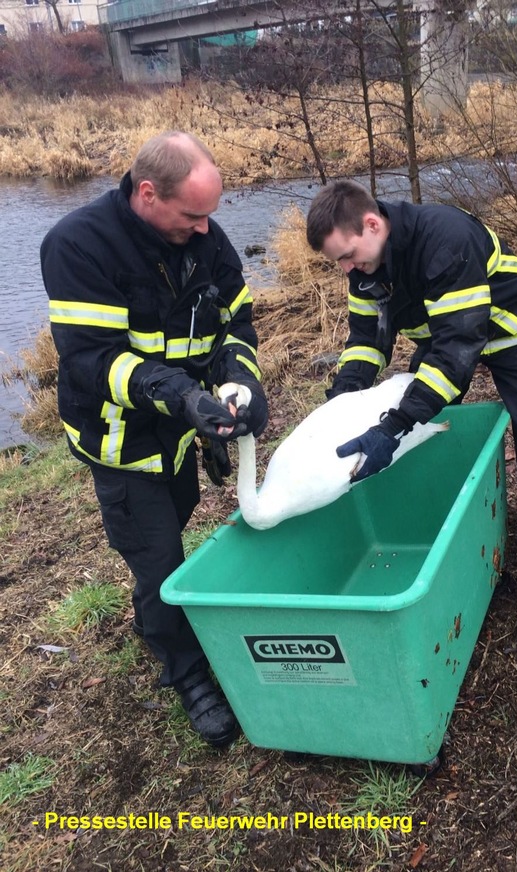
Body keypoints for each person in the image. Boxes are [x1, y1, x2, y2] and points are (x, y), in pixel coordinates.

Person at [40, 131, 268, 747]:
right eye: (193, 215)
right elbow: (94, 360)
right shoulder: (78, 246)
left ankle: (157, 621)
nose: (205, 229)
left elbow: (237, 320)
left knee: (181, 514)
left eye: (210, 215)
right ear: (148, 193)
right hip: (123, 439)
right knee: (160, 557)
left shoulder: (202, 237)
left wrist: (240, 382)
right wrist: (183, 397)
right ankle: (187, 671)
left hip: (179, 427)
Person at [306, 180, 517, 645]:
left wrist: (394, 424)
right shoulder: (364, 267)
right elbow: (367, 343)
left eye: (348, 255)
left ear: (372, 224)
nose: (346, 268)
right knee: (427, 430)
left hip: (509, 330)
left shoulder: (444, 238)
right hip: (447, 333)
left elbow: (456, 353)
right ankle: (456, 542)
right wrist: (343, 399)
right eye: (339, 262)